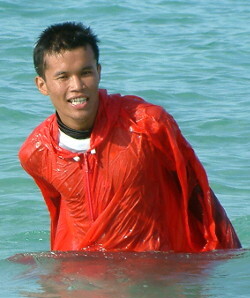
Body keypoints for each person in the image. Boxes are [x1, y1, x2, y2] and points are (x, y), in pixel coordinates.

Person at [19, 22, 241, 252]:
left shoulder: (148, 125)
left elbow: (198, 193)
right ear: (42, 85)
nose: (77, 86)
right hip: (86, 275)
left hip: (155, 269)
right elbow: (61, 220)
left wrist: (227, 264)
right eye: (63, 77)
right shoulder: (37, 152)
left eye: (85, 72)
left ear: (99, 72)